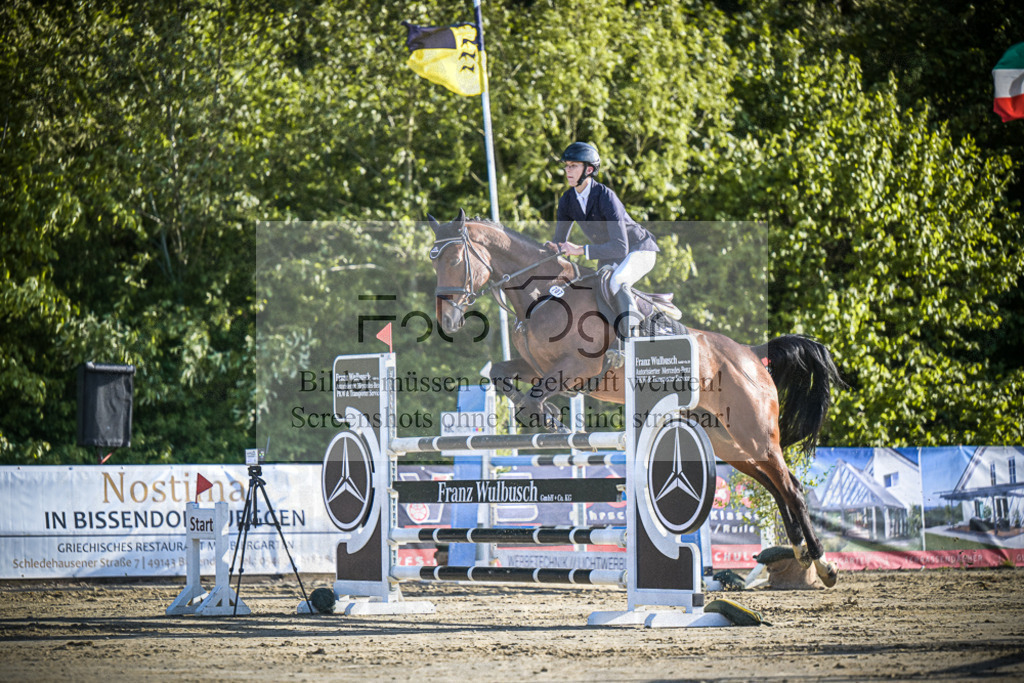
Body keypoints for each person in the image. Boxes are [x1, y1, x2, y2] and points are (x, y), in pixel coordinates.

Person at [545, 141, 659, 336]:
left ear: (589, 169)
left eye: (573, 166)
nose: (567, 170)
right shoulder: (567, 200)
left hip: (639, 249)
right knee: (593, 290)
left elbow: (621, 247)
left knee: (617, 281)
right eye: (566, 166)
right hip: (611, 255)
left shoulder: (605, 196)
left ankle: (633, 338)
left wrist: (580, 250)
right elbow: (559, 242)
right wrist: (546, 250)